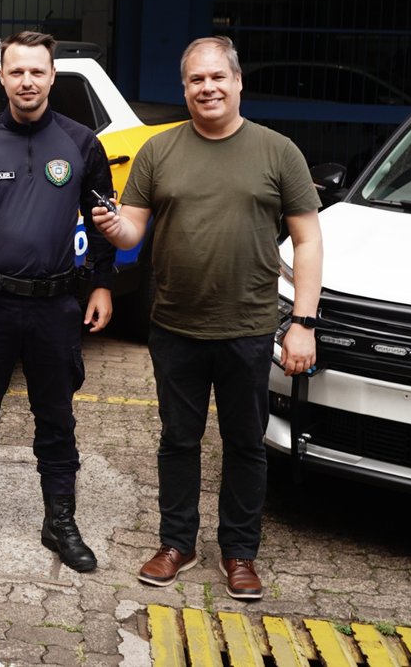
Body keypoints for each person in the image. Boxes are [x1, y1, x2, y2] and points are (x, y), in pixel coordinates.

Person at [90, 35, 321, 601]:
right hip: (174, 327)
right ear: (185, 87)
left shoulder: (278, 151)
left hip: (248, 327)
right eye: (196, 79)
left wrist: (303, 322)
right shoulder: (159, 151)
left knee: (245, 443)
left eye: (218, 77)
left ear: (238, 81)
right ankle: (177, 544)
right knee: (178, 440)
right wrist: (113, 226)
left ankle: (240, 552)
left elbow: (308, 240)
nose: (208, 88)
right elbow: (133, 231)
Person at [0, 30, 116, 572]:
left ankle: (60, 519)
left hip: (55, 305)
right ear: (2, 77)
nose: (27, 81)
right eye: (17, 71)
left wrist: (102, 284)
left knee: (56, 418)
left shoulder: (82, 143)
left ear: (52, 76)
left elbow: (102, 221)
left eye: (37, 71)